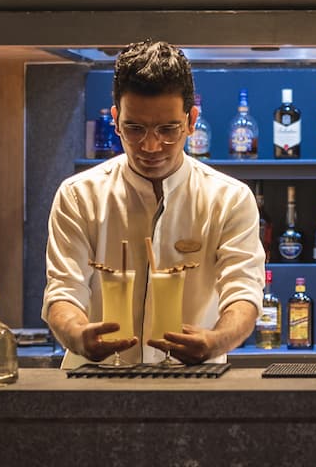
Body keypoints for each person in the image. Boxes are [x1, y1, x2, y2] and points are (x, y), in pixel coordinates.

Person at [43, 40, 264, 367]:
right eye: (134, 128)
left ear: (191, 121)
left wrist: (215, 341)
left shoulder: (229, 198)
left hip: (195, 383)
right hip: (92, 384)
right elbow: (63, 292)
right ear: (116, 120)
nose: (150, 145)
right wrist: (78, 336)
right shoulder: (78, 195)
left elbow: (243, 293)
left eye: (168, 129)